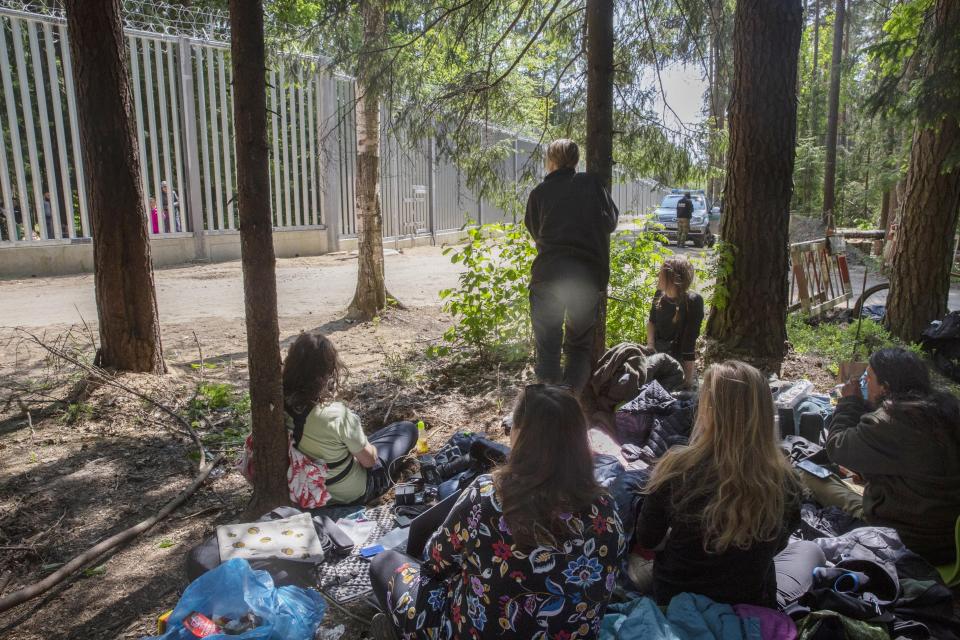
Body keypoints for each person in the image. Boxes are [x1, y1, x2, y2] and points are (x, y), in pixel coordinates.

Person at [369, 384, 625, 639]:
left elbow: (434, 560)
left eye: (510, 426)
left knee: (385, 563)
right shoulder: (606, 508)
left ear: (521, 435)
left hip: (473, 630)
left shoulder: (489, 496)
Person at [636, 360, 821, 609]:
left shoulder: (677, 466)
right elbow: (776, 549)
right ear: (765, 413)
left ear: (708, 411)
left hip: (674, 601)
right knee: (810, 550)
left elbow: (647, 539)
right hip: (748, 608)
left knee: (635, 564)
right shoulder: (786, 482)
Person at [805, 347, 960, 565]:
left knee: (808, 475)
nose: (864, 384)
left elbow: (836, 447)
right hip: (950, 538)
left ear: (885, 388)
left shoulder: (892, 420)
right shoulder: (947, 409)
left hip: (909, 539)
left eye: (868, 379)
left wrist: (849, 402)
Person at [524, 139, 619, 393]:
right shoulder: (591, 184)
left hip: (547, 276)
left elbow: (535, 231)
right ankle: (571, 405)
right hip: (584, 279)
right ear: (576, 160)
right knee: (578, 348)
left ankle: (548, 410)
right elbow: (610, 223)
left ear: (551, 161)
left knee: (547, 349)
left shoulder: (539, 193)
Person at [282, 331, 418, 505]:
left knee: (362, 442)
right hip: (351, 493)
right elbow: (369, 462)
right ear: (327, 371)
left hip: (301, 487)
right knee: (406, 429)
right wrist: (367, 450)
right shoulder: (335, 414)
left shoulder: (276, 406)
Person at [646, 256, 704, 388]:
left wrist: (687, 381)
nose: (658, 275)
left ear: (673, 278)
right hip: (656, 352)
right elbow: (651, 322)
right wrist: (650, 346)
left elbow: (689, 343)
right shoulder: (659, 294)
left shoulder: (693, 301)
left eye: (661, 272)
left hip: (677, 362)